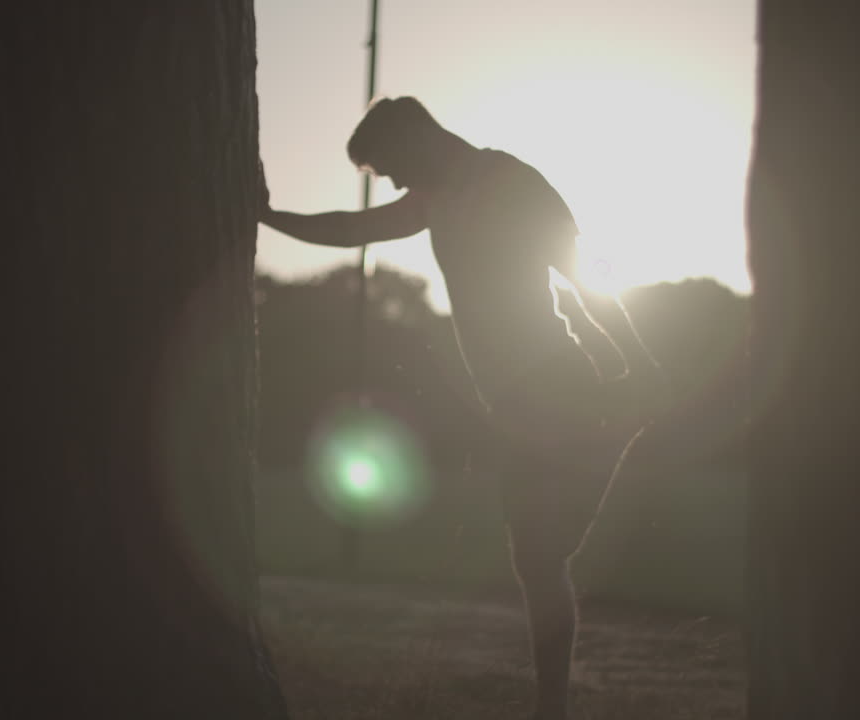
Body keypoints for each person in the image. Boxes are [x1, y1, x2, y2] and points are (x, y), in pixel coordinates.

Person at [259, 96, 668, 720]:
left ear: (415, 137)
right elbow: (349, 228)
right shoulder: (434, 197)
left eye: (388, 166)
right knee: (537, 558)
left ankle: (551, 707)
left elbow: (582, 278)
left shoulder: (509, 180)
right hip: (515, 401)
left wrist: (638, 364)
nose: (391, 182)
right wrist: (265, 215)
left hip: (552, 384)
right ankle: (551, 704)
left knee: (538, 557)